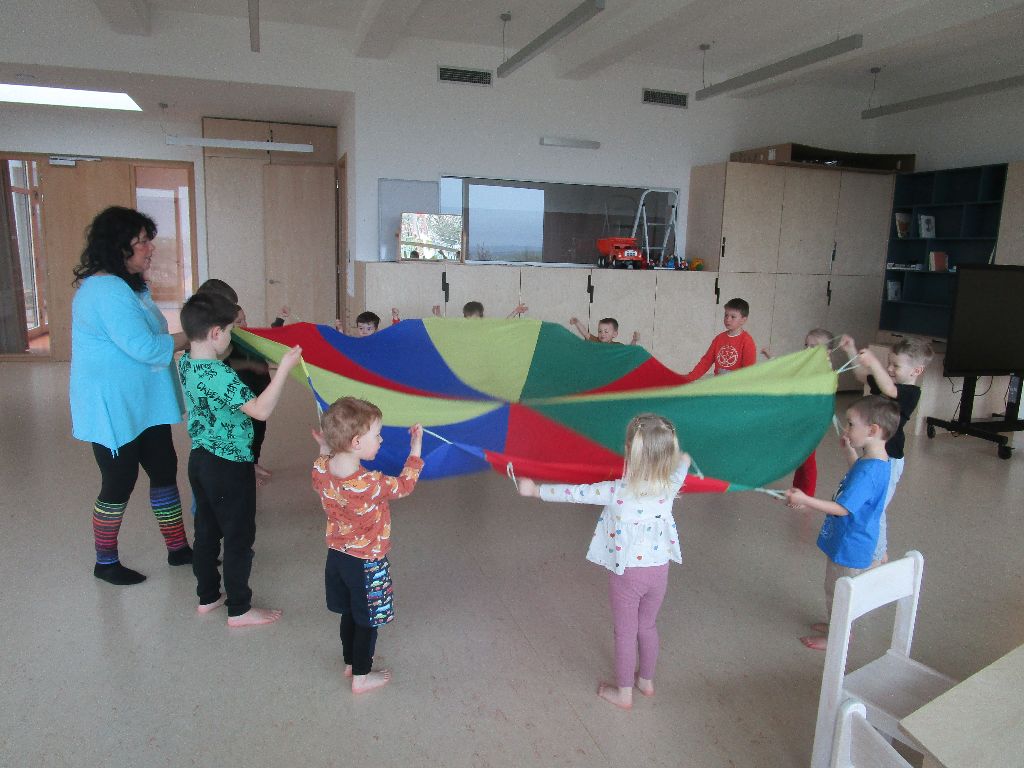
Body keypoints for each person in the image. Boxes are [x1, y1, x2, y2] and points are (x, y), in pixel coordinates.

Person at [517, 414, 691, 710]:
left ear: (629, 451)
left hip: (628, 577)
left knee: (625, 632)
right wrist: (683, 460)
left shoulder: (616, 491)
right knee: (647, 626)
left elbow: (574, 493)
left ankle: (623, 694)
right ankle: (646, 681)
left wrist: (535, 491)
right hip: (659, 573)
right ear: (669, 455)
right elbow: (682, 468)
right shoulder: (670, 486)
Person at [70, 206, 192, 586]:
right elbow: (146, 347)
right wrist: (198, 334)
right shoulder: (105, 290)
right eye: (141, 242)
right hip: (114, 406)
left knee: (164, 468)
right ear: (118, 247)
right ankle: (105, 562)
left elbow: (152, 335)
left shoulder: (129, 286)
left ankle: (178, 549)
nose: (150, 248)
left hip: (143, 402)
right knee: (119, 481)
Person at [178, 291, 302, 626]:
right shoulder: (219, 374)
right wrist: (283, 369)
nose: (232, 337)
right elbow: (260, 410)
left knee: (206, 531)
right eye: (231, 331)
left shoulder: (186, 363)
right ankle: (240, 609)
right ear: (216, 333)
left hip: (200, 461)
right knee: (238, 537)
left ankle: (208, 597)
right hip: (229, 466)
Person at [311, 397, 425, 694]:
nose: (381, 440)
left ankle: (350, 663)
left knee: (350, 612)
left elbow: (323, 460)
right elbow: (406, 485)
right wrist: (415, 448)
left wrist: (325, 446)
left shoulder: (321, 470)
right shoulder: (371, 484)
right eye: (377, 435)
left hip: (337, 559)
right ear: (357, 442)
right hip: (367, 564)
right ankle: (361, 677)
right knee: (367, 621)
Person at [784, 395, 900, 650]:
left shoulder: (870, 471)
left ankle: (839, 637)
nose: (846, 429)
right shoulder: (878, 461)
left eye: (850, 424)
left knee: (839, 592)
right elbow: (858, 472)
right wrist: (849, 450)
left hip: (850, 543)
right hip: (853, 539)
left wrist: (806, 500)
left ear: (872, 430)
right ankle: (836, 624)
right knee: (838, 590)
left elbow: (843, 508)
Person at [839, 334, 933, 566]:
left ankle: (879, 555)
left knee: (876, 508)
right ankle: (870, 547)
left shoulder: (910, 393)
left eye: (896, 366)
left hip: (889, 461)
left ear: (916, 371)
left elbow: (890, 389)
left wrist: (874, 363)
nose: (889, 369)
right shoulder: (884, 381)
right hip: (872, 454)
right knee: (866, 499)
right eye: (888, 363)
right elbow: (861, 375)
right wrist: (851, 350)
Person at [195, 278, 286, 484]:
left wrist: (279, 320)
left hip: (258, 392)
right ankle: (245, 468)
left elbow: (270, 336)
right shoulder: (220, 343)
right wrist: (249, 365)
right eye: (237, 321)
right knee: (245, 433)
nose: (243, 324)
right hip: (242, 399)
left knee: (259, 430)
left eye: (244, 319)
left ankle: (252, 463)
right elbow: (222, 365)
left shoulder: (243, 335)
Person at [762, 328, 834, 495]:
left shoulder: (824, 368)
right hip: (802, 418)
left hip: (812, 421)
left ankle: (807, 494)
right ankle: (797, 490)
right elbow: (787, 368)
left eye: (813, 347)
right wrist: (771, 358)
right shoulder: (807, 365)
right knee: (801, 456)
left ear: (827, 353)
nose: (807, 350)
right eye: (806, 345)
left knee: (808, 459)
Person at [683, 298, 756, 380]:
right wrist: (690, 377)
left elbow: (749, 370)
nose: (728, 319)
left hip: (737, 385)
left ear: (743, 320)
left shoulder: (747, 341)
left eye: (733, 317)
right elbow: (706, 361)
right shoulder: (719, 339)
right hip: (718, 383)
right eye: (726, 315)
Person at [569, 316, 641, 345]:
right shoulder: (596, 340)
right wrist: (577, 322)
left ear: (614, 334)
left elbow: (629, 351)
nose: (602, 334)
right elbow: (585, 333)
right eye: (600, 331)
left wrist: (634, 340)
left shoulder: (617, 346)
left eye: (606, 331)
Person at [429, 301, 528, 318]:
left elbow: (502, 325)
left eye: (475, 319)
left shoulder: (485, 327)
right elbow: (447, 329)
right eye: (469, 319)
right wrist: (438, 316)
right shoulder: (462, 327)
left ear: (481, 317)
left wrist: (515, 312)